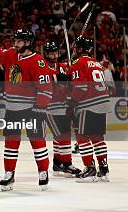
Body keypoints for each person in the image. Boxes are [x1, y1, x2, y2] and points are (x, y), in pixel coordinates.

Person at [0, 27, 53, 191]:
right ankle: (9, 173)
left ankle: (43, 171)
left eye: (19, 41)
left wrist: (40, 108)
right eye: (15, 41)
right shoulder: (12, 54)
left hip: (32, 109)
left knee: (37, 141)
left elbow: (46, 89)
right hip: (12, 109)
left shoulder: (38, 61)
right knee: (11, 142)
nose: (15, 44)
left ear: (29, 43)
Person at [69, 36, 111, 182]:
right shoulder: (96, 63)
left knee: (82, 136)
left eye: (75, 48)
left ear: (80, 49)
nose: (73, 50)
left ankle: (90, 169)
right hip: (102, 102)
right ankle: (103, 169)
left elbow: (81, 87)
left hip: (88, 103)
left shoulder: (78, 63)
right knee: (97, 137)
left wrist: (71, 103)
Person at [42, 41, 81, 178]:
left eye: (55, 52)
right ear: (46, 54)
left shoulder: (63, 66)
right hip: (50, 106)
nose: (54, 55)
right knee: (63, 134)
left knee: (60, 134)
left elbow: (72, 78)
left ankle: (58, 162)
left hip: (63, 105)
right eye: (51, 53)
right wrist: (58, 80)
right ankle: (67, 164)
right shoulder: (42, 67)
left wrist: (71, 73)